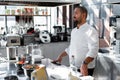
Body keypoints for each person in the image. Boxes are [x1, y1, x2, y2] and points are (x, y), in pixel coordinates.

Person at [52, 6, 99, 76]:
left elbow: (94, 50)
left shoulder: (91, 31)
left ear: (83, 15)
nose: (73, 15)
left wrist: (85, 64)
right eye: (74, 13)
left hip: (85, 68)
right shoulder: (74, 31)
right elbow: (72, 47)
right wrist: (60, 56)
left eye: (76, 13)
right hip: (74, 67)